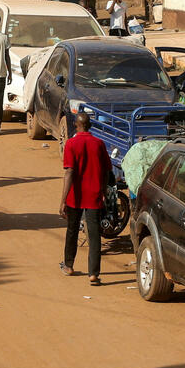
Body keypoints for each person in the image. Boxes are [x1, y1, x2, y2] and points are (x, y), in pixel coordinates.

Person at [59, 112, 111, 285]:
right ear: (90, 125)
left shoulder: (71, 144)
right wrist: (103, 191)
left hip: (75, 196)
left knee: (72, 230)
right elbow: (106, 171)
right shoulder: (99, 144)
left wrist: (63, 200)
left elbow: (69, 172)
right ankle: (94, 274)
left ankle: (68, 265)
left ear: (76, 124)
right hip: (94, 194)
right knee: (95, 234)